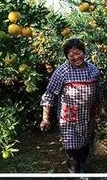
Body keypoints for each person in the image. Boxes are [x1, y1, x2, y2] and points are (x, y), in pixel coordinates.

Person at [39, 38, 103, 173]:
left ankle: (83, 168)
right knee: (72, 151)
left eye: (78, 52)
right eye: (71, 54)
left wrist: (100, 109)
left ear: (84, 52)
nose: (76, 57)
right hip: (69, 119)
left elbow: (98, 92)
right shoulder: (62, 72)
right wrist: (45, 118)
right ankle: (74, 174)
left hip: (88, 117)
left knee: (85, 146)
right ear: (67, 56)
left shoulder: (93, 70)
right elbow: (49, 94)